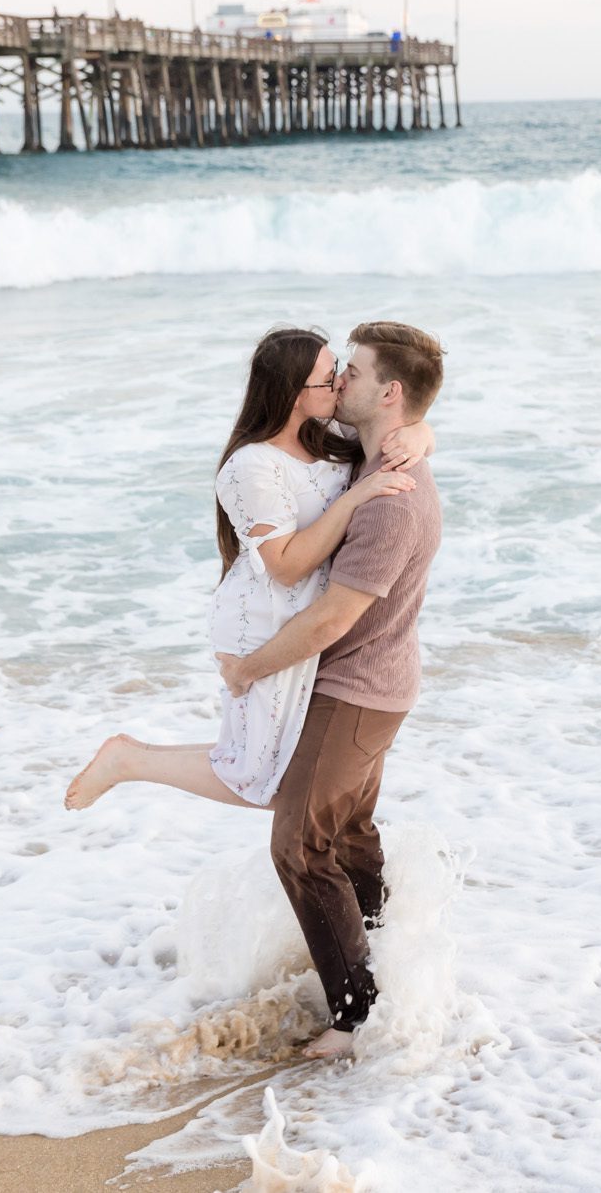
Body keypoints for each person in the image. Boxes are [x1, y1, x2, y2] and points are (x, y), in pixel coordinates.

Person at [65, 327, 433, 817]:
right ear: (294, 394)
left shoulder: (328, 438)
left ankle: (131, 758)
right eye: (330, 379)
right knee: (267, 781)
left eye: (343, 373)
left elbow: (396, 422)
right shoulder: (251, 467)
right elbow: (285, 567)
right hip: (261, 623)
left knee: (272, 772)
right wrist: (356, 499)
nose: (341, 385)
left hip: (298, 622)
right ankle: (129, 761)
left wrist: (419, 432)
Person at [217, 322, 445, 1060]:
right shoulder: (373, 460)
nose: (339, 381)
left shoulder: (389, 498)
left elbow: (328, 620)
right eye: (334, 371)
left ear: (390, 392)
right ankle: (390, 971)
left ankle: (355, 1018)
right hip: (374, 681)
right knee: (346, 836)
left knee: (299, 842)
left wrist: (249, 668)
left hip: (358, 686)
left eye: (353, 371)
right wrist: (423, 433)